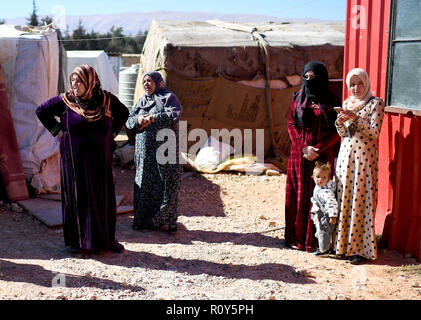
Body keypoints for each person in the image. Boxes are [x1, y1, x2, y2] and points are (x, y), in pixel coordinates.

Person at [36, 65, 129, 255]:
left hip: (100, 159)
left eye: (79, 80)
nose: (74, 84)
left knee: (102, 196)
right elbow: (41, 111)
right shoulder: (66, 100)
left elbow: (124, 113)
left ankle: (105, 240)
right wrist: (58, 131)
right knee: (79, 196)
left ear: (90, 82)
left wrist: (111, 133)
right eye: (73, 79)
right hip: (74, 158)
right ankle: (81, 243)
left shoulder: (106, 99)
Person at [284, 61, 340, 252]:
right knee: (298, 196)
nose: (309, 81)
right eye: (306, 77)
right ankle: (296, 238)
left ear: (322, 78)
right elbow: (291, 124)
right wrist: (303, 147)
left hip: (322, 156)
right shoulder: (298, 98)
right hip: (299, 155)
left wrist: (317, 148)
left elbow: (336, 130)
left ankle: (317, 241)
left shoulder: (332, 100)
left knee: (320, 196)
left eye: (313, 77)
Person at [334, 68, 385, 265]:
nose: (356, 88)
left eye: (360, 83)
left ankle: (360, 250)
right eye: (352, 84)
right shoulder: (347, 103)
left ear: (367, 83)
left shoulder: (375, 103)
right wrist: (340, 122)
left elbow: (374, 133)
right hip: (346, 158)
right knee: (345, 198)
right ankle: (343, 246)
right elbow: (344, 134)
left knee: (361, 199)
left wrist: (355, 118)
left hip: (364, 159)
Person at [126, 71, 182, 233]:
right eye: (144, 81)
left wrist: (152, 118)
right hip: (144, 153)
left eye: (150, 81)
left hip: (165, 150)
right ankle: (143, 221)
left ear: (159, 83)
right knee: (144, 184)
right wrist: (138, 120)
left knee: (166, 183)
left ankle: (164, 221)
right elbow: (129, 122)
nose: (146, 84)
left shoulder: (169, 97)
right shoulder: (141, 101)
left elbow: (173, 115)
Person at [310, 162, 338, 255]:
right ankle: (323, 247)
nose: (320, 179)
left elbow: (331, 203)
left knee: (323, 232)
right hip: (320, 215)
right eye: (318, 177)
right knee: (320, 231)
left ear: (328, 178)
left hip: (326, 216)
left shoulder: (325, 191)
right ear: (313, 177)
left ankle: (324, 250)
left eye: (324, 177)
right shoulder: (318, 187)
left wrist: (332, 215)